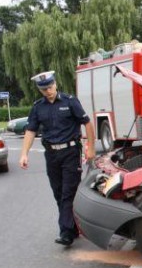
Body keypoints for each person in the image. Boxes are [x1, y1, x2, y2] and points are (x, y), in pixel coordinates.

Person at [19, 71, 96, 246]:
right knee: (58, 192)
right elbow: (31, 130)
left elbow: (87, 123)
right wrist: (24, 153)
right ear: (40, 90)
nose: (48, 91)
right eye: (44, 89)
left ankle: (66, 232)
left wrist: (90, 147)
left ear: (55, 84)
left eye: (50, 86)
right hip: (51, 154)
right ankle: (73, 227)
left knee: (68, 193)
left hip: (70, 153)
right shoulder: (38, 107)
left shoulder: (70, 101)